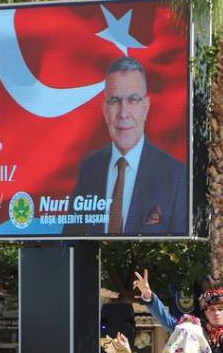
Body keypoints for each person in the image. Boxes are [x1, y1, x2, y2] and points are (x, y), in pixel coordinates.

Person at [64, 56, 187, 236]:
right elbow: (70, 238)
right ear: (105, 110)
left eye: (133, 100)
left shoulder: (174, 175)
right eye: (115, 101)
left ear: (146, 107)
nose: (123, 113)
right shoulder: (90, 168)